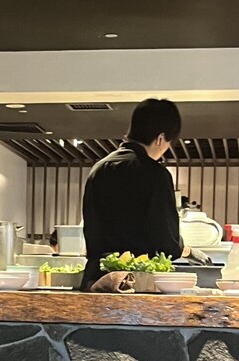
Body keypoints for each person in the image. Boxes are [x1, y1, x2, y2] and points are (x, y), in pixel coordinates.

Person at [80, 98, 211, 291]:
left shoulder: (98, 169)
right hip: (134, 281)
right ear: (160, 138)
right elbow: (166, 241)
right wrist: (188, 251)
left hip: (96, 280)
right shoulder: (155, 175)